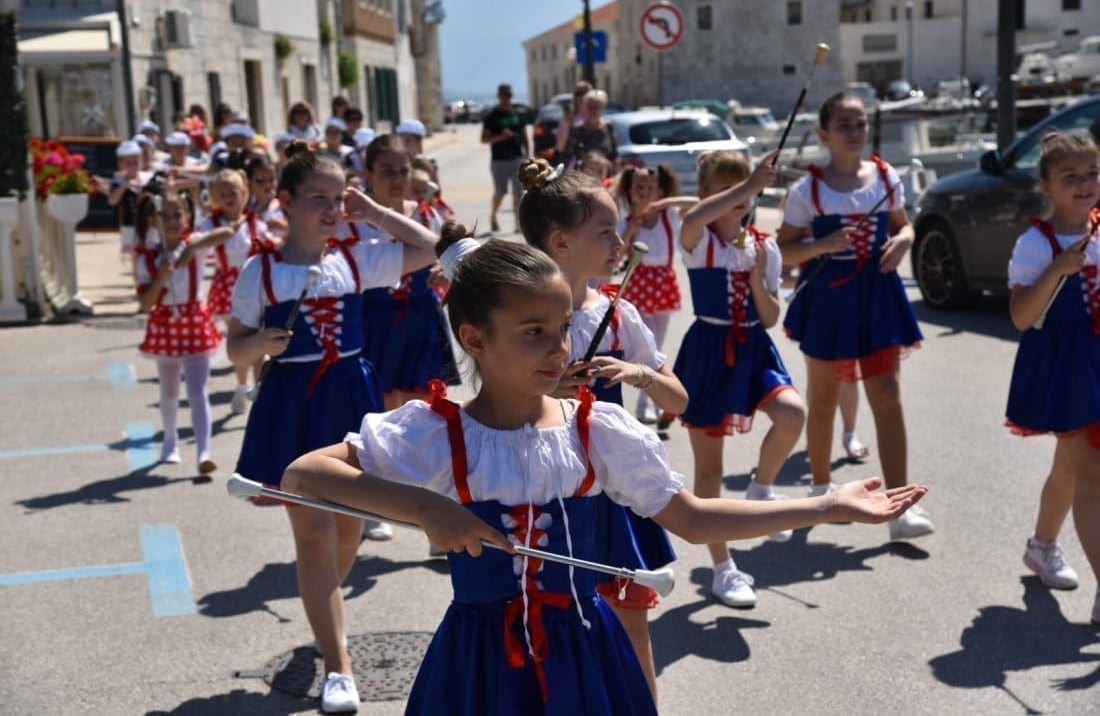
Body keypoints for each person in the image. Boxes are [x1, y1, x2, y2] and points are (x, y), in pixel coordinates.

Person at [280, 222, 929, 715]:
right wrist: (426, 507)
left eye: (562, 327)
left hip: (587, 652)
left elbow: (695, 519)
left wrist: (827, 506)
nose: (558, 348)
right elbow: (304, 475)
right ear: (474, 338)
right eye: (532, 331)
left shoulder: (595, 431)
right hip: (477, 663)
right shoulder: (438, 432)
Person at [227, 140, 439, 713]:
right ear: (287, 201)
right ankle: (339, 667)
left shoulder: (353, 258)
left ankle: (325, 612)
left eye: (337, 197)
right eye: (318, 198)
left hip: (349, 397)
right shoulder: (260, 271)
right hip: (292, 405)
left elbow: (429, 247)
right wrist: (259, 343)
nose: (330, 208)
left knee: (348, 532)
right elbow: (234, 348)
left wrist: (373, 211)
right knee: (316, 533)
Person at [516, 158, 687, 701]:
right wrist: (545, 392)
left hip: (611, 490)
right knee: (545, 632)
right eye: (606, 231)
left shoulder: (616, 313)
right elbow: (487, 406)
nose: (620, 242)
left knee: (630, 627)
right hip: (543, 489)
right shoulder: (517, 316)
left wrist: (638, 373)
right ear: (561, 242)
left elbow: (679, 399)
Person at [777, 92, 932, 542]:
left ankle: (899, 509)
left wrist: (905, 240)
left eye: (860, 123)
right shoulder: (808, 190)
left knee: (888, 398)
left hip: (877, 296)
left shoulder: (884, 177)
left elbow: (904, 225)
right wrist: (821, 246)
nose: (854, 132)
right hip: (829, 300)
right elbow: (782, 250)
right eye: (844, 124)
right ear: (824, 133)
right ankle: (822, 493)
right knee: (824, 400)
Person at [671, 150, 807, 608]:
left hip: (753, 346)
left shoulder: (764, 246)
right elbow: (693, 216)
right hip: (709, 350)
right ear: (706, 193)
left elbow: (770, 317)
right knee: (709, 470)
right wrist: (751, 184)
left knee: (792, 414)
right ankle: (722, 568)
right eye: (727, 189)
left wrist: (755, 284)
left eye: (745, 187)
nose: (740, 197)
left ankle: (761, 488)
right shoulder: (696, 239)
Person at [1005, 130, 1100, 623]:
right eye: (1070, 176)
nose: (1084, 183)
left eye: (1092, 173)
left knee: (1070, 466)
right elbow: (1022, 317)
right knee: (1091, 473)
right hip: (1066, 364)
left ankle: (1041, 546)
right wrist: (1058, 269)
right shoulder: (1034, 244)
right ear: (1046, 185)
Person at [358, 133, 459, 412]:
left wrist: (445, 269)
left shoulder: (426, 215)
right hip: (372, 320)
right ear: (368, 174)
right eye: (387, 171)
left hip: (421, 317)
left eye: (403, 171)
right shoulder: (352, 222)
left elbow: (453, 257)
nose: (397, 179)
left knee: (425, 409)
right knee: (380, 408)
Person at [134, 191, 232, 473]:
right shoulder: (148, 257)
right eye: (165, 216)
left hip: (195, 325)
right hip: (166, 326)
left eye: (178, 214)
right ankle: (170, 441)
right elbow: (146, 303)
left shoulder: (195, 245)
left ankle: (204, 453)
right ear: (154, 220)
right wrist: (160, 278)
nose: (173, 221)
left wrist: (191, 248)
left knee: (198, 392)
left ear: (188, 217)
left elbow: (227, 232)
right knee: (169, 393)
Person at [616, 165, 698, 425]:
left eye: (651, 187)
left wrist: (665, 202)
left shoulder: (669, 215)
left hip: (663, 284)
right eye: (639, 186)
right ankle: (645, 402)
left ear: (661, 190)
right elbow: (618, 254)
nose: (645, 191)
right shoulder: (627, 220)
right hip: (639, 283)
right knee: (648, 343)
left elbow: (697, 204)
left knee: (657, 347)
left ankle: (649, 400)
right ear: (630, 190)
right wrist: (634, 224)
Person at [198, 169, 276, 414]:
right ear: (215, 198)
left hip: (255, 284)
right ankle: (242, 386)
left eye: (233, 192)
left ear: (244, 193)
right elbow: (199, 245)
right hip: (227, 287)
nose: (229, 198)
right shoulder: (211, 224)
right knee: (242, 338)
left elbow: (271, 245)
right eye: (222, 194)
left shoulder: (255, 222)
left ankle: (260, 389)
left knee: (259, 342)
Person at [481, 83, 529, 232]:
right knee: (500, 192)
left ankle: (518, 224)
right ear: (499, 96)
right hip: (499, 160)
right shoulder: (492, 116)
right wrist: (502, 137)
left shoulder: (517, 114)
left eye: (509, 95)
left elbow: (524, 136)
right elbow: (484, 139)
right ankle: (493, 216)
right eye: (504, 95)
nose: (507, 98)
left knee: (518, 192)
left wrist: (527, 155)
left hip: (516, 158)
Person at [108, 140, 156, 260]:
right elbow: (112, 201)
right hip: (129, 225)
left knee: (151, 253)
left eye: (136, 162)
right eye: (129, 163)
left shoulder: (148, 178)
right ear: (121, 164)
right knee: (134, 257)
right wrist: (126, 185)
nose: (133, 166)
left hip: (149, 225)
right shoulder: (117, 182)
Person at [561, 90, 617, 170]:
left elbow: (614, 154)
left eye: (597, 106)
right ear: (585, 107)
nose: (593, 110)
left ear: (603, 107)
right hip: (584, 172)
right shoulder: (577, 129)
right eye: (590, 106)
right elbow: (567, 155)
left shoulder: (608, 127)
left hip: (604, 172)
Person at [246, 153, 287, 239]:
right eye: (260, 180)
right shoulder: (242, 209)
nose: (267, 185)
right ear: (249, 181)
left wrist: (286, 227)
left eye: (271, 179)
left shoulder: (287, 205)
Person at [554, 80, 592, 161]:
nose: (582, 97)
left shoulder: (595, 117)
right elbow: (560, 147)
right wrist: (567, 124)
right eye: (578, 94)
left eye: (585, 94)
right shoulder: (568, 118)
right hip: (573, 163)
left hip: (592, 162)